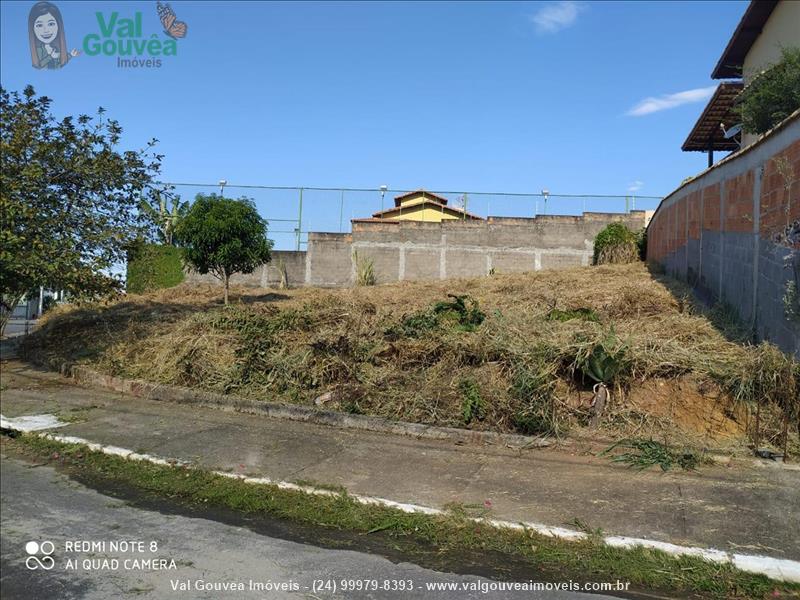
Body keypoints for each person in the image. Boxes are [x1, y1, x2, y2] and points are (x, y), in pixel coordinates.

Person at [28, 1, 79, 69]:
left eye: (51, 24)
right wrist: (50, 56)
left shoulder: (56, 48)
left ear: (58, 26)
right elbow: (39, 66)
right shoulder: (39, 50)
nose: (45, 30)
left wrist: (71, 55)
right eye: (39, 25)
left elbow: (59, 66)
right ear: (33, 28)